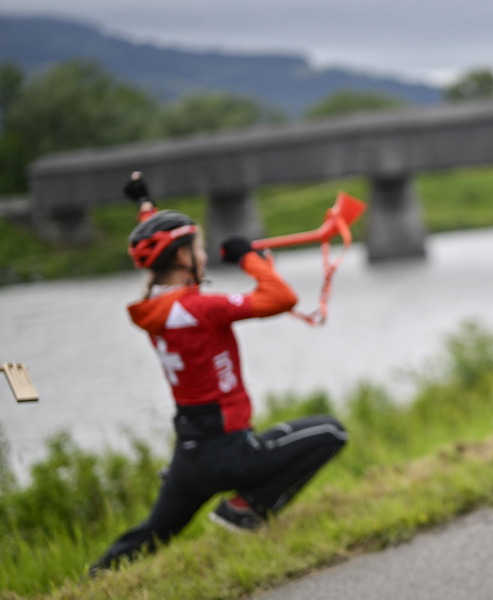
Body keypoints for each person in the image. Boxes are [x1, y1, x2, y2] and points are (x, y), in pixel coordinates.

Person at [91, 175, 348, 572]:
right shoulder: (199, 309)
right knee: (331, 433)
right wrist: (248, 257)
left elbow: (159, 243)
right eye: (198, 248)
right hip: (228, 451)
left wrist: (145, 203)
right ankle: (247, 508)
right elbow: (282, 298)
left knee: (152, 534)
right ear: (180, 258)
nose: (205, 255)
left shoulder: (157, 309)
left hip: (191, 455)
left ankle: (92, 582)